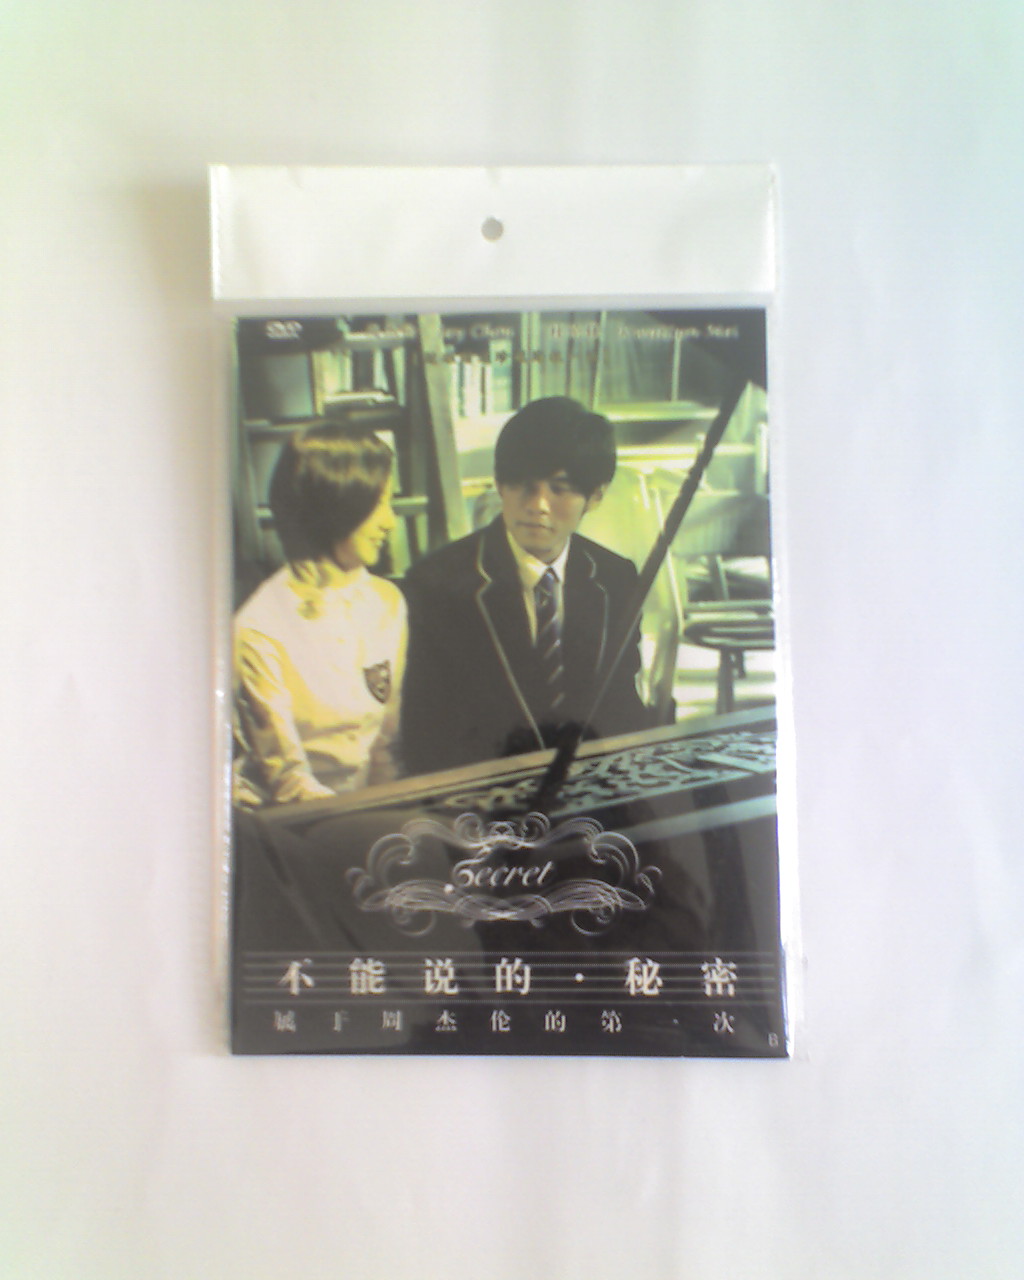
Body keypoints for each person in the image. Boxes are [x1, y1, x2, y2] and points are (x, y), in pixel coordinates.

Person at [401, 396, 646, 776]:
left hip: (592, 789)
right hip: (481, 793)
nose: (538, 505)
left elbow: (622, 708)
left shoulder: (616, 579)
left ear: (596, 495)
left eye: (559, 489)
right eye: (522, 485)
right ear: (500, 484)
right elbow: (427, 733)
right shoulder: (437, 584)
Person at [233, 423, 405, 806]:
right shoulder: (258, 627)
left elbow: (388, 746)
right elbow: (289, 780)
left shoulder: (387, 602)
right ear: (335, 507)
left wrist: (394, 806)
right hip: (297, 819)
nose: (390, 521)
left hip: (373, 809)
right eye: (378, 504)